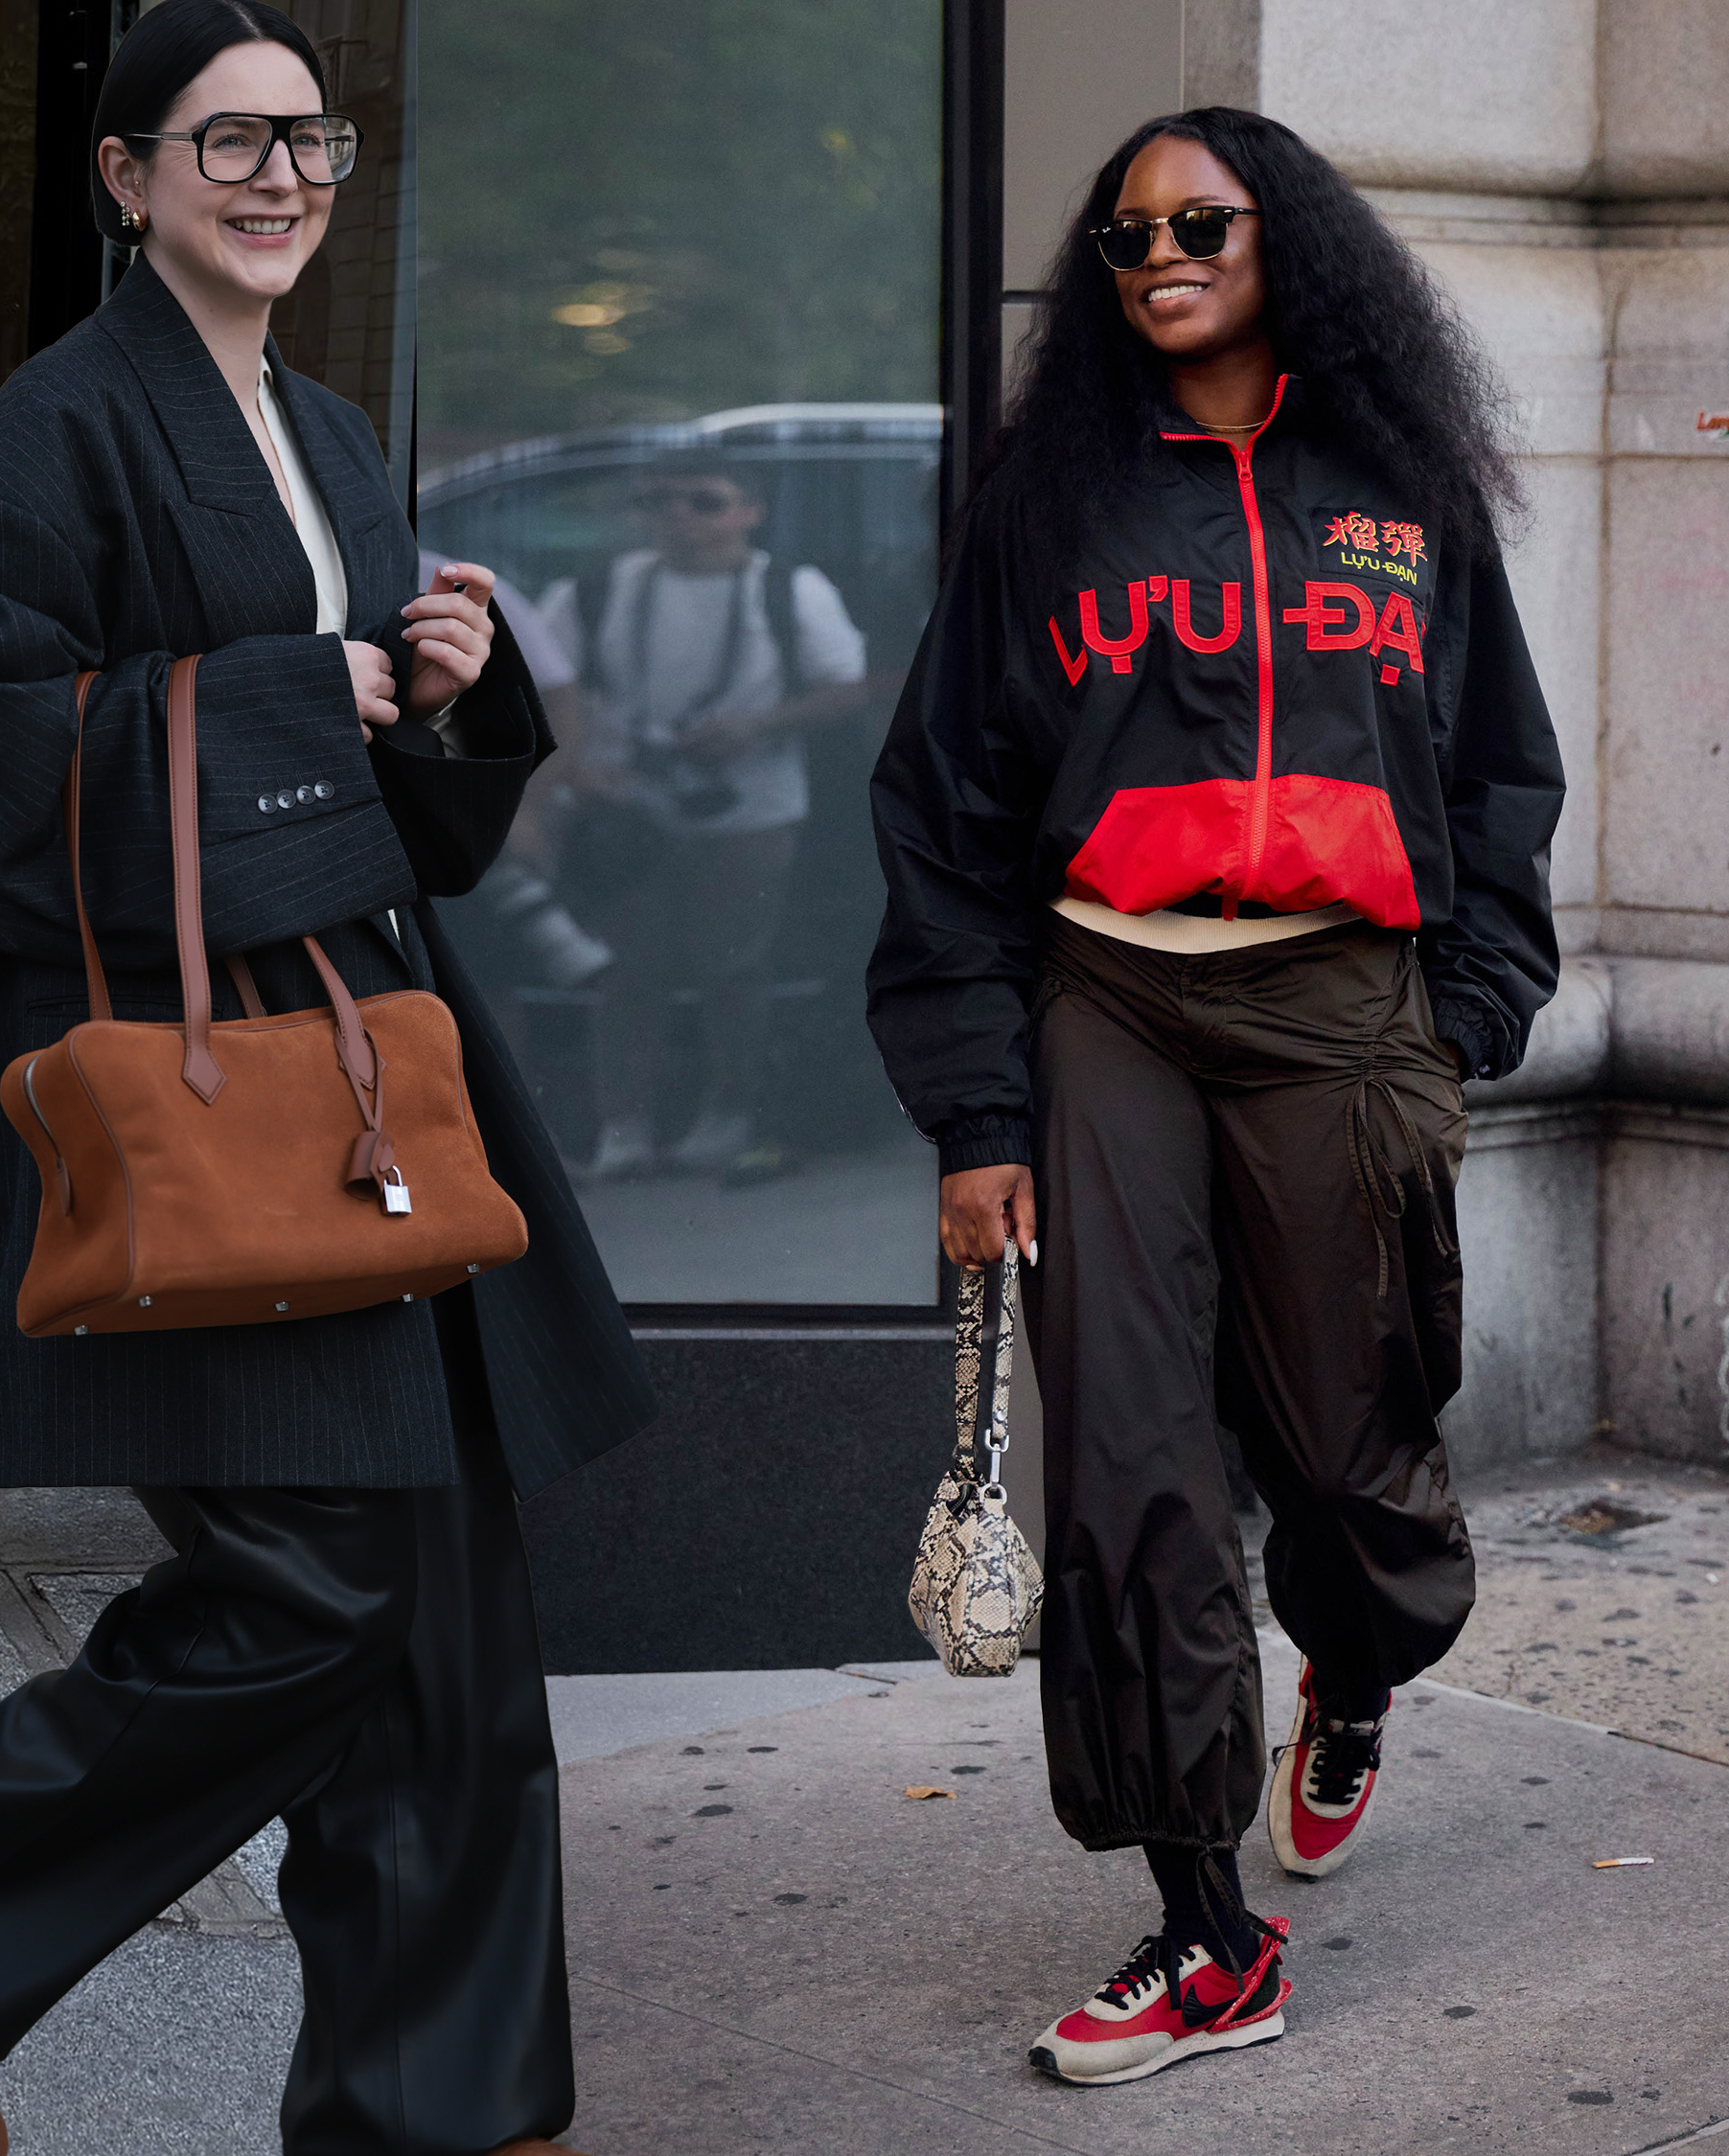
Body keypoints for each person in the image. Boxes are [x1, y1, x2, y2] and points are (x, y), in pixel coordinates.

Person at [0, 6, 653, 2150]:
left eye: (309, 142)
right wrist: (277, 694)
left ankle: (440, 2107)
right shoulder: (47, 435)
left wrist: (441, 692)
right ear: (126, 177)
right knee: (320, 1584)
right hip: (198, 1097)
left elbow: (387, 809)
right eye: (226, 141)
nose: (277, 176)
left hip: (352, 1071)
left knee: (442, 1600)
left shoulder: (330, 439)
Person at [864, 107, 1562, 2086]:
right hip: (1105, 1003)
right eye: (1122, 233)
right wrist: (973, 1110)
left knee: (1350, 1449)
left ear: (1290, 244)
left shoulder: (1399, 488)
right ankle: (1197, 1928)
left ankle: (1352, 1666)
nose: (1155, 252)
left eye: (1198, 221)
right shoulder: (1052, 499)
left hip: (1344, 1012)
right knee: (1127, 1472)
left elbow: (1501, 762)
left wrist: (1470, 1009)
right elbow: (944, 810)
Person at [577, 457, 874, 1181]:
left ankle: (730, 1115)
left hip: (753, 804)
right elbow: (556, 684)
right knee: (626, 969)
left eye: (704, 502)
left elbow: (846, 687)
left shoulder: (786, 589)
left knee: (733, 967)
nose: (680, 516)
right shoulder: (600, 590)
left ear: (750, 512)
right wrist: (588, 770)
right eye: (657, 502)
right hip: (630, 807)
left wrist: (758, 725)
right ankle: (624, 1124)